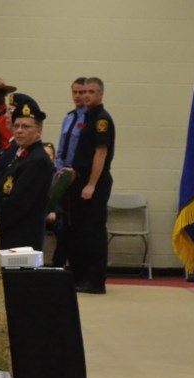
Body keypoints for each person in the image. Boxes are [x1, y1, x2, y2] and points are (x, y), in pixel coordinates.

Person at [68, 77, 115, 294]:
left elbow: (101, 153)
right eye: (83, 91)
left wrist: (91, 185)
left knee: (93, 231)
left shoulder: (101, 120)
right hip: (79, 180)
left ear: (100, 94)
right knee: (79, 230)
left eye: (91, 92)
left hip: (93, 180)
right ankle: (82, 276)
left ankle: (96, 281)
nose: (86, 95)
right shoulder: (85, 117)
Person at [0, 96, 53, 250]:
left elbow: (19, 203)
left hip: (21, 236)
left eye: (26, 127)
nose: (19, 131)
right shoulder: (20, 154)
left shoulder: (37, 160)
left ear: (38, 131)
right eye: (16, 126)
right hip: (9, 232)